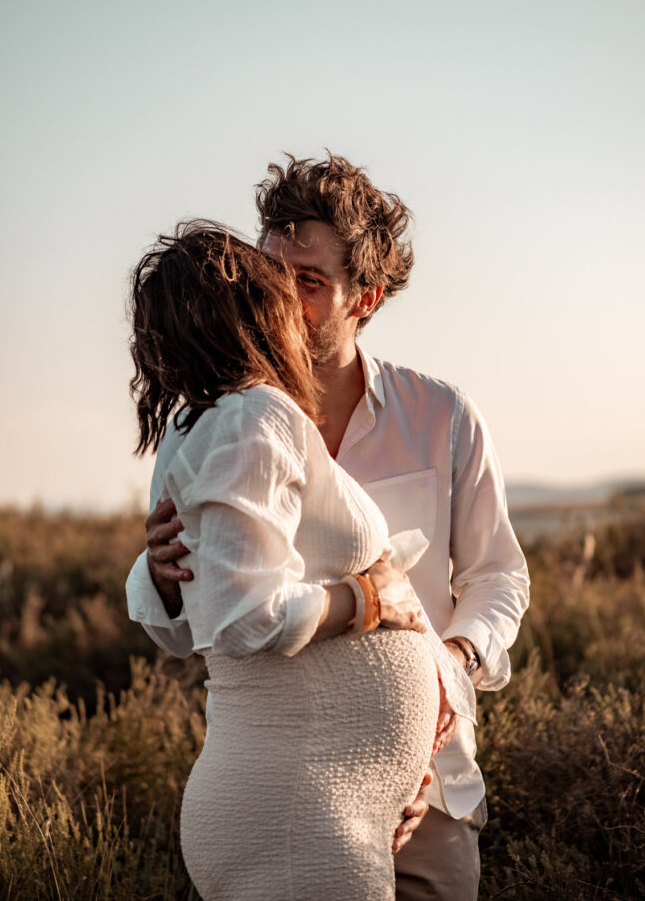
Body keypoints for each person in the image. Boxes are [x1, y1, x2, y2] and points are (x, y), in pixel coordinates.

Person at [127, 154, 530, 901]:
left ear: (365, 298)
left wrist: (446, 674)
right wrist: (156, 576)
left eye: (308, 282)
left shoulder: (440, 417)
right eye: (273, 273)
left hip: (428, 789)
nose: (283, 297)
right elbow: (199, 629)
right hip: (285, 785)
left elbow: (497, 576)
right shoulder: (214, 418)